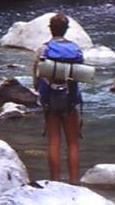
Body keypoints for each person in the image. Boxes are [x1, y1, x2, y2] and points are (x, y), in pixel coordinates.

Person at [33, 12, 83, 185]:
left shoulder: (43, 50)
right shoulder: (75, 49)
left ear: (51, 29)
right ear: (66, 29)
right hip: (70, 100)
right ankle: (74, 183)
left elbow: (36, 78)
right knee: (73, 144)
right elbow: (80, 74)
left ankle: (55, 182)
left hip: (50, 102)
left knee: (54, 142)